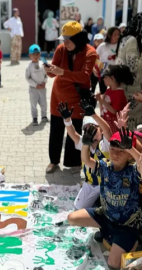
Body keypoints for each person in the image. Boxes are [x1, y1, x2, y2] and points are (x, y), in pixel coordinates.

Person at [68, 128, 141, 269]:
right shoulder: (104, 166)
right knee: (72, 218)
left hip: (126, 226)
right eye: (113, 149)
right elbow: (85, 159)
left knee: (113, 264)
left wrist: (131, 148)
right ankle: (107, 234)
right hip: (106, 216)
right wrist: (85, 143)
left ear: (130, 155)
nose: (115, 154)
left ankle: (134, 241)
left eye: (122, 151)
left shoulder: (134, 171)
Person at [44, 21, 97, 174]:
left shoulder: (90, 52)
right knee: (56, 130)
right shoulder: (61, 49)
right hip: (58, 97)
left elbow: (85, 76)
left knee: (74, 131)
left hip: (77, 98)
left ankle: (74, 162)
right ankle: (53, 161)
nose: (64, 43)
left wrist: (62, 72)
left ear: (79, 39)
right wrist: (49, 70)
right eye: (63, 39)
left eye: (68, 40)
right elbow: (54, 72)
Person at [57, 100, 112, 208]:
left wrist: (94, 115)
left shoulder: (105, 145)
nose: (90, 133)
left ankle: (99, 202)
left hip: (106, 185)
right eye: (86, 130)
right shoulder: (84, 143)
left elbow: (108, 130)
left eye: (93, 129)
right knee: (77, 209)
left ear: (100, 130)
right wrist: (67, 120)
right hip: (90, 184)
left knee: (106, 210)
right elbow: (72, 133)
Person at [115, 12, 142, 130]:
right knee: (133, 125)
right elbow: (133, 65)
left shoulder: (127, 38)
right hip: (133, 89)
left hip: (130, 88)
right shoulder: (132, 40)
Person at [96, 65, 133, 134]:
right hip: (107, 123)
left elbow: (114, 111)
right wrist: (100, 99)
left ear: (112, 78)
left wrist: (102, 101)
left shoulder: (119, 93)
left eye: (105, 77)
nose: (103, 79)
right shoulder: (109, 90)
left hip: (114, 126)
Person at [92, 27, 121, 96]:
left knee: (115, 93)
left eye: (118, 34)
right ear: (109, 35)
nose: (117, 37)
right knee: (103, 93)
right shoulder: (103, 46)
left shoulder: (121, 45)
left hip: (116, 74)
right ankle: (103, 105)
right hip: (104, 74)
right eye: (114, 34)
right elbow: (93, 58)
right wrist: (93, 69)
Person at [26, 44, 48, 126]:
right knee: (33, 104)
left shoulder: (43, 64)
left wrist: (44, 82)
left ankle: (44, 116)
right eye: (33, 55)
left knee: (44, 103)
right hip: (33, 89)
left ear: (40, 54)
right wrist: (35, 85)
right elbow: (28, 78)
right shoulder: (29, 66)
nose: (35, 56)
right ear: (30, 55)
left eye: (37, 54)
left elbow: (46, 75)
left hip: (42, 88)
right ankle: (34, 118)